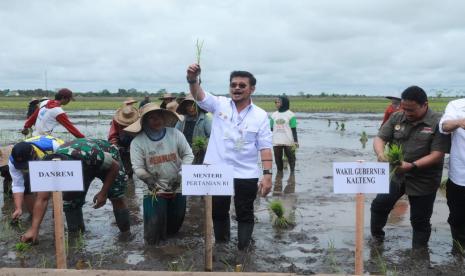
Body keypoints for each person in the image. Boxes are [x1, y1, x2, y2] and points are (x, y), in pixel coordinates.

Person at [186, 64, 273, 250]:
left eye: (242, 85)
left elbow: (265, 147)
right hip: (218, 170)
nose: (237, 88)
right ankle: (222, 246)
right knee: (218, 211)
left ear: (252, 89)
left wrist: (267, 175)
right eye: (233, 85)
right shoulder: (219, 104)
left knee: (245, 212)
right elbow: (198, 95)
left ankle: (243, 249)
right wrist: (193, 79)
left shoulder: (261, 115)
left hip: (246, 173)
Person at [371, 86, 450, 250]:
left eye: (411, 110)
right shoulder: (397, 116)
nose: (406, 112)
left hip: (424, 178)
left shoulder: (437, 122)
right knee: (379, 205)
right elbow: (380, 138)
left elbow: (438, 154)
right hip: (397, 174)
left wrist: (412, 165)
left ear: (425, 104)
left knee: (419, 219)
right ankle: (377, 239)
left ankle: (419, 251)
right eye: (404, 108)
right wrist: (380, 154)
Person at [22, 138, 132, 242]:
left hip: (105, 158)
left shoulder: (91, 154)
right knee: (71, 203)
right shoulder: (47, 166)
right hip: (83, 167)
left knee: (116, 195)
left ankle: (126, 235)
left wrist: (103, 192)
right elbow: (42, 199)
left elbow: (115, 167)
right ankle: (77, 239)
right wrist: (34, 229)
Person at [126, 103, 193, 245]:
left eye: (159, 117)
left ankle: (171, 254)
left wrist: (181, 174)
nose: (156, 121)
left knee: (175, 224)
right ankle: (154, 254)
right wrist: (148, 179)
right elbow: (137, 167)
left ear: (164, 118)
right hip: (153, 189)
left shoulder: (175, 134)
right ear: (144, 122)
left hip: (177, 185)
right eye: (151, 118)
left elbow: (188, 155)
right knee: (153, 230)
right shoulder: (138, 142)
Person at [9, 136, 64, 223]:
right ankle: (34, 216)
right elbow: (17, 185)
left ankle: (56, 216)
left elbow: (64, 180)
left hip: (52, 157)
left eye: (25, 164)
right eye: (21, 166)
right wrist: (18, 208)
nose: (24, 167)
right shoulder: (13, 161)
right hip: (38, 161)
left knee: (55, 187)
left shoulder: (55, 146)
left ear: (33, 154)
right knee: (27, 187)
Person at [439, 98, 465, 255]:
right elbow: (444, 126)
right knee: (457, 216)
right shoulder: (456, 105)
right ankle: (458, 250)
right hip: (460, 175)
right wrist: (459, 122)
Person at [108, 105, 139, 178]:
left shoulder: (138, 120)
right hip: (121, 143)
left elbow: (141, 134)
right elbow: (113, 135)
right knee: (123, 165)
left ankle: (131, 175)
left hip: (135, 142)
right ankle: (127, 176)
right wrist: (115, 145)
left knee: (134, 165)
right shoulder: (116, 120)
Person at [270, 96, 298, 173]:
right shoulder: (273, 115)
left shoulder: (291, 115)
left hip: (289, 141)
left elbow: (294, 129)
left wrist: (296, 141)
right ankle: (279, 174)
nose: (276, 104)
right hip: (276, 141)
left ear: (284, 103)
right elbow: (271, 129)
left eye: (278, 102)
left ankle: (292, 174)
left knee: (291, 158)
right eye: (275, 102)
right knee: (278, 159)